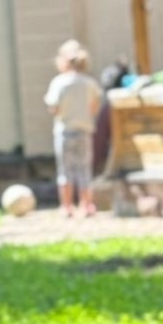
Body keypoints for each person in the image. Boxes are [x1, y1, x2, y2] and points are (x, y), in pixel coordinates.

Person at [44, 39, 102, 217]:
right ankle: (87, 205)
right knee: (84, 169)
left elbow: (53, 107)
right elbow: (95, 106)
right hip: (84, 131)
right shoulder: (89, 83)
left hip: (65, 132)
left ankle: (67, 206)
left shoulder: (59, 83)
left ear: (62, 61)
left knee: (66, 170)